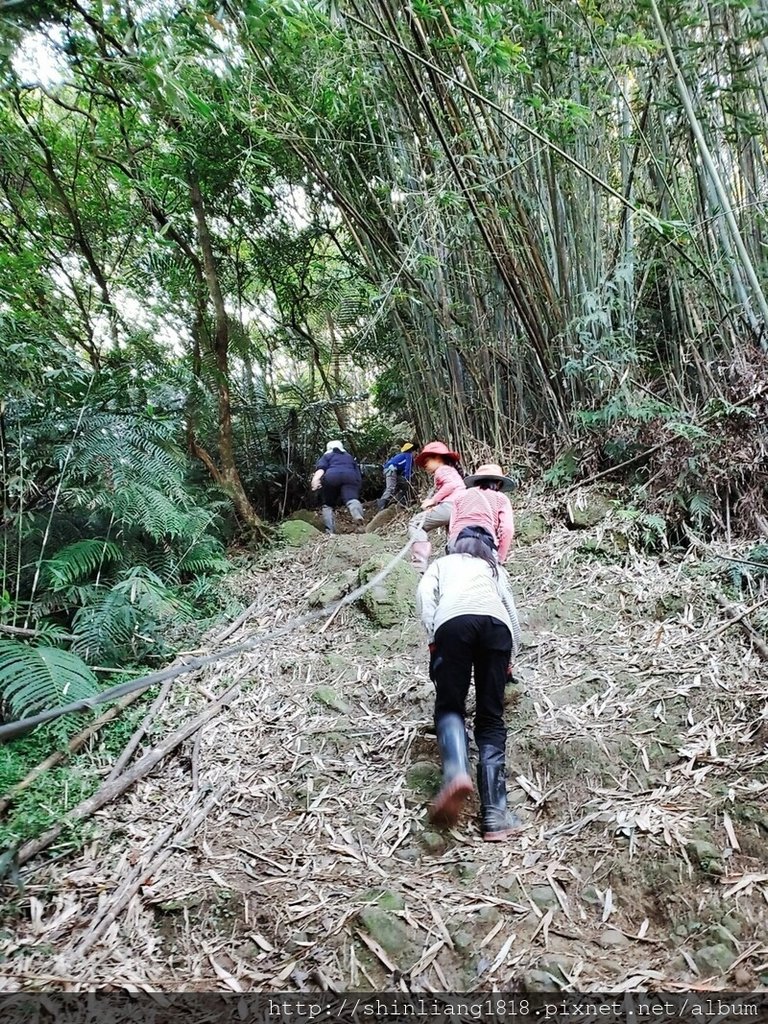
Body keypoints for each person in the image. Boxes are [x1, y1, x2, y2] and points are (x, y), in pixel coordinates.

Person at [416, 531, 523, 842]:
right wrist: (510, 658)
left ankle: (457, 772)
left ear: (455, 546)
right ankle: (495, 814)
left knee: (450, 707)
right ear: (488, 549)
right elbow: (512, 613)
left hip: (453, 623)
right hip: (497, 627)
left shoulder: (443, 563)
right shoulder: (494, 568)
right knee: (491, 719)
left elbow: (425, 596)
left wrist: (433, 635)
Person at [408, 441, 465, 572]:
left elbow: (450, 485)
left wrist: (433, 500)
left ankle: (418, 564)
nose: (425, 465)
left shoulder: (442, 470)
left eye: (427, 461)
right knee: (452, 536)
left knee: (416, 523)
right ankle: (456, 568)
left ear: (438, 458)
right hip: (460, 507)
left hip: (451, 506)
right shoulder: (451, 471)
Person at [447, 463, 516, 563]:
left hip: (457, 542)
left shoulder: (460, 496)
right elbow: (507, 529)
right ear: (499, 483)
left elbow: (452, 526)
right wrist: (500, 558)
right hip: (483, 543)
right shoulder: (501, 498)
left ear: (476, 481)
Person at [311, 441, 364, 534]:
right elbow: (357, 473)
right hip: (350, 477)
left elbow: (321, 469)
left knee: (328, 504)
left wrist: (315, 480)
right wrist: (357, 485)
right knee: (351, 499)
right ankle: (358, 517)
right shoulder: (349, 456)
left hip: (332, 476)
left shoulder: (327, 456)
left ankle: (330, 531)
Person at [376, 443, 416, 510]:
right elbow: (408, 469)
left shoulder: (402, 455)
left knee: (401, 484)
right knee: (391, 487)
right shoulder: (408, 455)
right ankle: (381, 505)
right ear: (412, 451)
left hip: (391, 469)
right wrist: (408, 479)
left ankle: (402, 500)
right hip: (391, 470)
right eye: (415, 451)